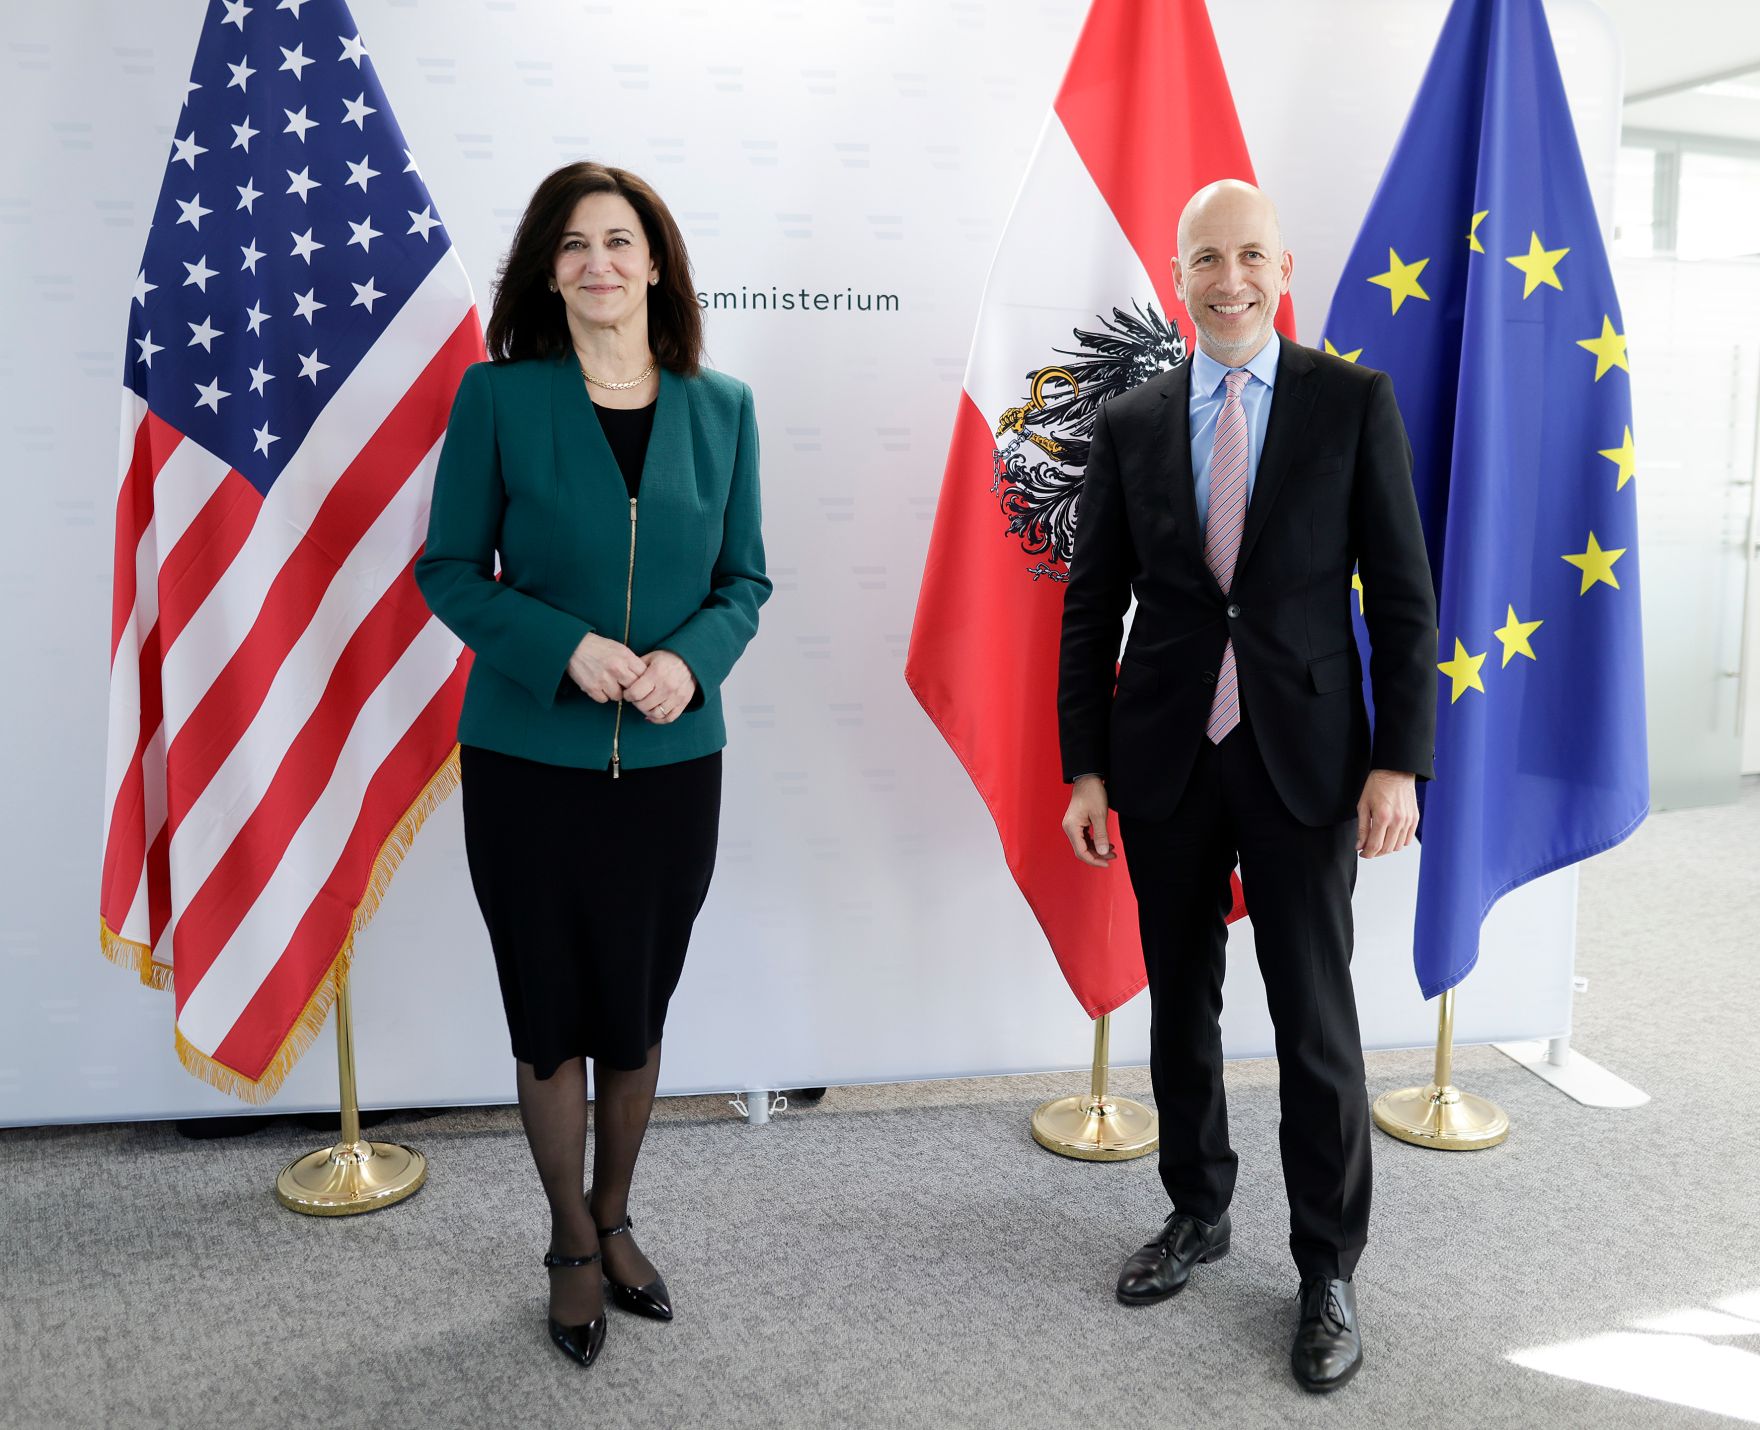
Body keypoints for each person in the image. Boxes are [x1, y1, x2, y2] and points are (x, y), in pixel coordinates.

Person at [1056, 179, 1437, 1393]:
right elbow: (1088, 610)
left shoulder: (1351, 401)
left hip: (1307, 760)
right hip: (1164, 755)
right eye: (1204, 259)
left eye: (1249, 257)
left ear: (1286, 267)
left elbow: (1405, 595)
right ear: (1178, 274)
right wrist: (1083, 766)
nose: (1228, 279)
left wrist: (1398, 759)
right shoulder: (1130, 418)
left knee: (1312, 1022)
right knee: (1180, 1005)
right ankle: (1195, 1209)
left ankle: (1325, 1265)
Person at [415, 161, 770, 1370]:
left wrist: (694, 662)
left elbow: (745, 581)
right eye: (573, 245)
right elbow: (449, 570)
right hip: (527, 759)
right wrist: (561, 646)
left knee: (633, 1010)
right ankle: (569, 1242)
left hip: (675, 767)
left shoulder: (722, 408)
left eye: (620, 241)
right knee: (548, 1018)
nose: (598, 262)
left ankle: (615, 1213)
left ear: (656, 263)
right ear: (547, 269)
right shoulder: (497, 398)